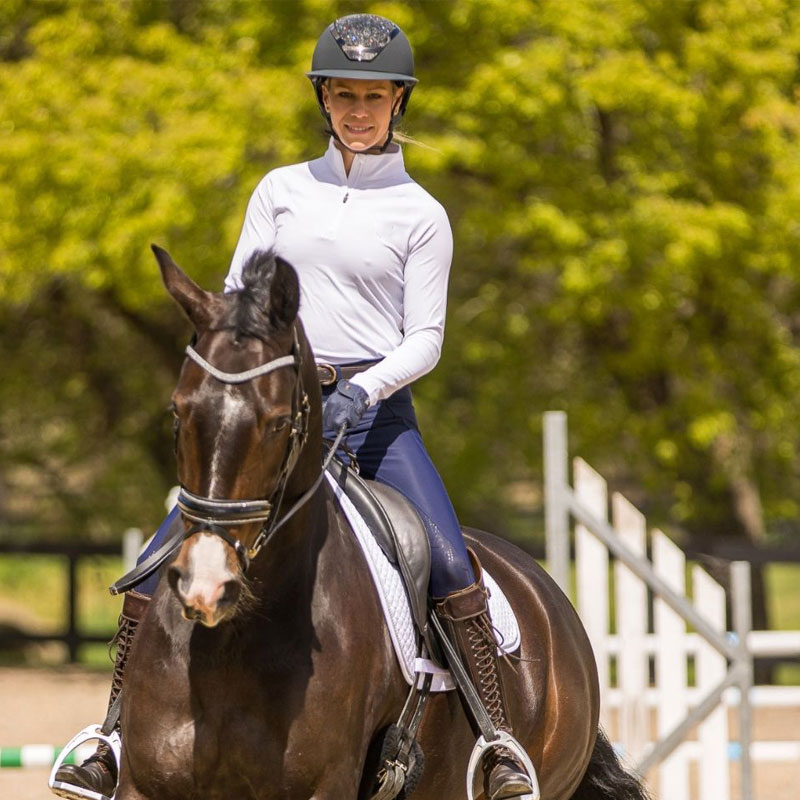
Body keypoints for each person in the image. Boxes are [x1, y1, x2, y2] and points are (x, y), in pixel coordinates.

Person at [51, 14, 532, 800]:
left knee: (448, 562)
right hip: (273, 410)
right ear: (324, 99)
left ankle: (497, 744)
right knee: (156, 564)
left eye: (375, 97)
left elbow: (428, 337)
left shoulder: (421, 214)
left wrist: (361, 390)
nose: (358, 111)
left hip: (375, 417)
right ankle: (106, 736)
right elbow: (243, 305)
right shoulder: (280, 191)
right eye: (344, 95)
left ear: (398, 104)